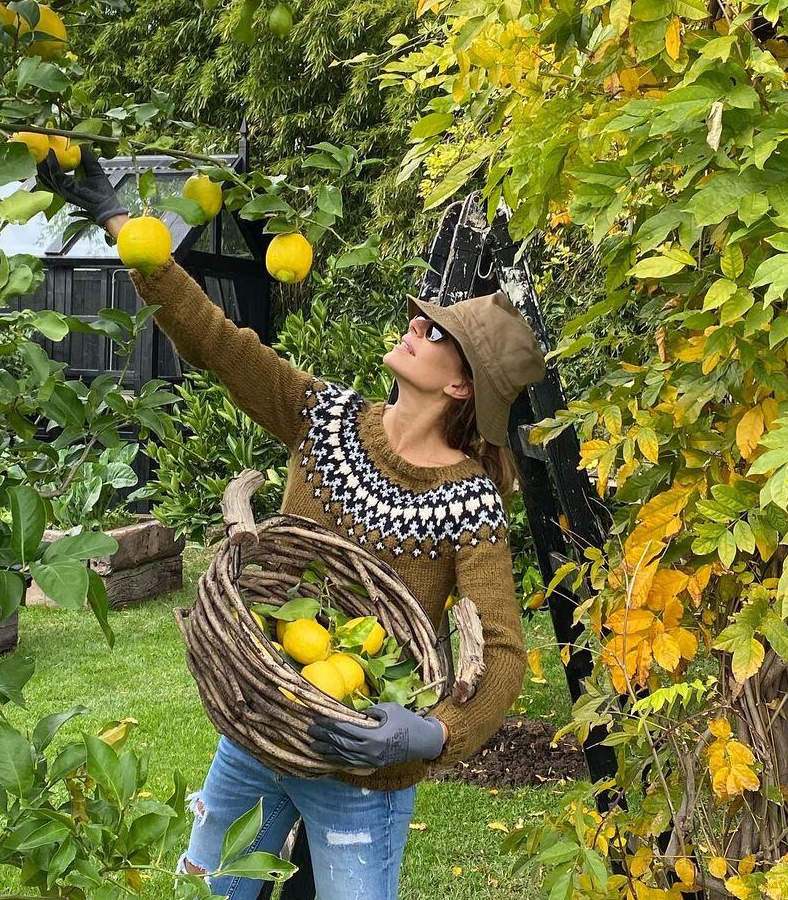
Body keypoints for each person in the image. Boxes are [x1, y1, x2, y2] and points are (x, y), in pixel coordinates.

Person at [35, 148, 547, 900]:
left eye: (436, 333)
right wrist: (120, 220)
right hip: (259, 726)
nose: (415, 324)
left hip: (362, 766)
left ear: (464, 383)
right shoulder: (325, 418)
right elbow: (217, 341)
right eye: (421, 317)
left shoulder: (468, 501)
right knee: (213, 892)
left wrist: (433, 732)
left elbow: (501, 648)